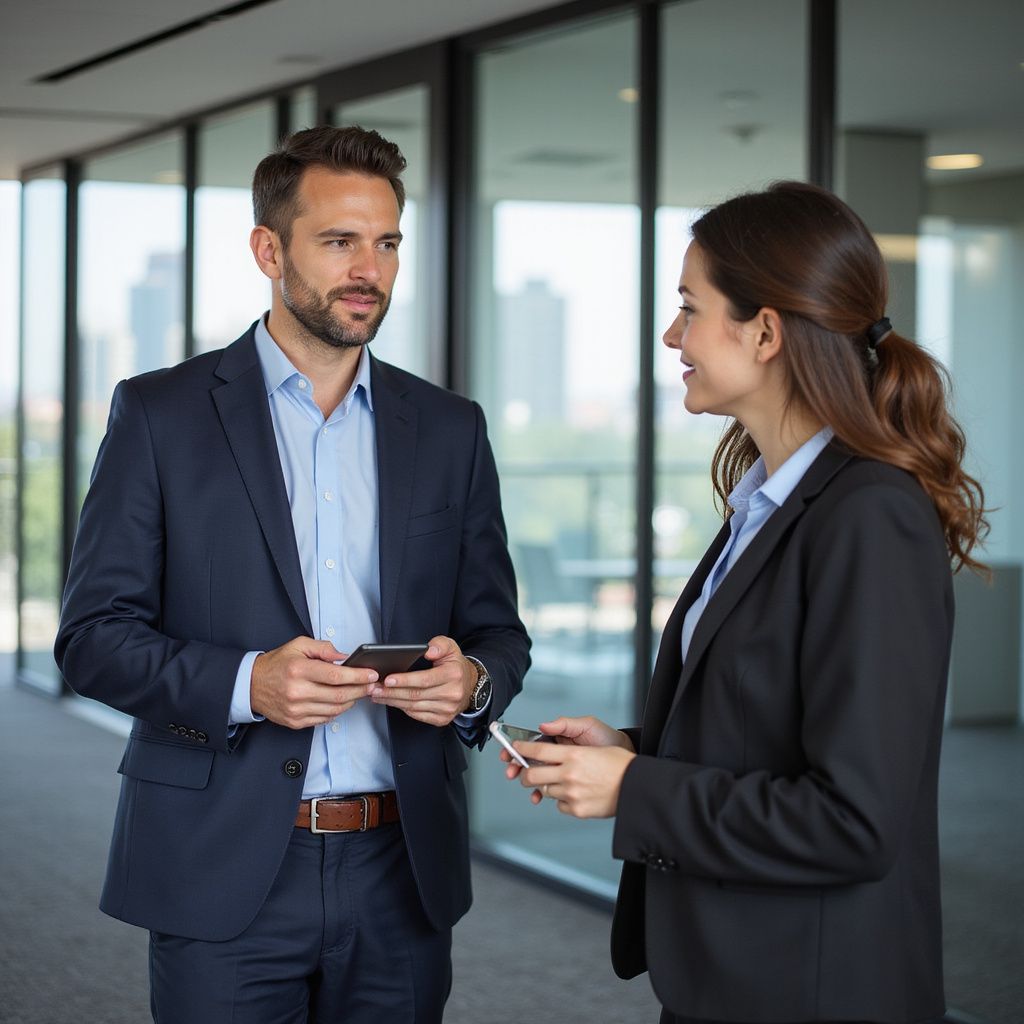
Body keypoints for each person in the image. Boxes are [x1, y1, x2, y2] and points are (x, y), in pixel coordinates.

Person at [55, 125, 530, 1023]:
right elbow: (90, 641)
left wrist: (470, 683)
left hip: (402, 870)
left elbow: (499, 633)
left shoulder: (449, 427)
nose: (370, 270)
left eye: (387, 243)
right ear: (269, 250)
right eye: (340, 241)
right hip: (221, 864)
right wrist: (247, 684)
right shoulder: (160, 415)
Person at [500, 181, 988, 1024]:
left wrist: (634, 788)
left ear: (764, 331)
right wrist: (629, 749)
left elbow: (854, 819)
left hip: (811, 992)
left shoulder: (868, 517)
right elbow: (771, 728)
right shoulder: (768, 503)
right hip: (733, 977)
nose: (671, 335)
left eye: (690, 309)